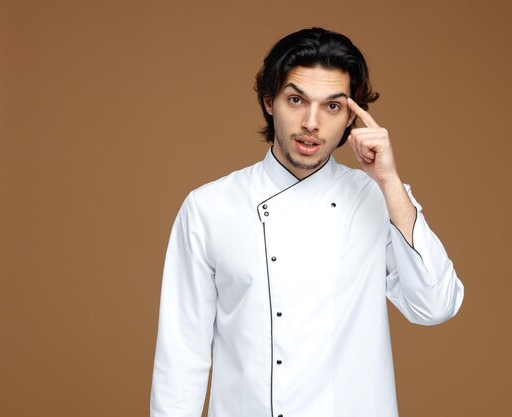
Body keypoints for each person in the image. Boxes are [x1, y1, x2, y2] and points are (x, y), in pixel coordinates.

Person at [150, 27, 464, 417]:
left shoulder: (377, 198)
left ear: (353, 115)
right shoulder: (209, 207)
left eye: (332, 106)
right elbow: (182, 356)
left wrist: (389, 181)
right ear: (269, 102)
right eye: (296, 100)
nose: (311, 123)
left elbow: (435, 305)